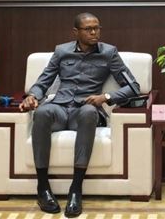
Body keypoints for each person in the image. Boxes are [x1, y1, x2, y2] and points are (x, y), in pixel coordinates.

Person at [19, 12, 140, 218]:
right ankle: (43, 187)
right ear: (76, 32)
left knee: (88, 112)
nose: (94, 33)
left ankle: (76, 188)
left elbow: (133, 87)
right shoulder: (61, 51)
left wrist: (106, 97)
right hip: (59, 107)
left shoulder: (109, 53)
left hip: (85, 109)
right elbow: (43, 81)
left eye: (97, 28)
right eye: (88, 29)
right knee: (42, 112)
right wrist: (33, 95)